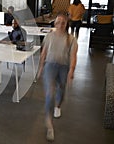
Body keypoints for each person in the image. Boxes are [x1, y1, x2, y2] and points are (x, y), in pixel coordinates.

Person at [36, 12, 78, 142]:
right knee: (49, 94)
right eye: (58, 22)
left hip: (63, 67)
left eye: (63, 23)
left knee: (61, 89)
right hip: (50, 66)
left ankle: (58, 106)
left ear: (66, 25)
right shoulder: (49, 36)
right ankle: (49, 125)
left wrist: (71, 70)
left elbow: (73, 56)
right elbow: (44, 53)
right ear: (55, 23)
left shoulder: (71, 39)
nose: (60, 24)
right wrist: (41, 67)